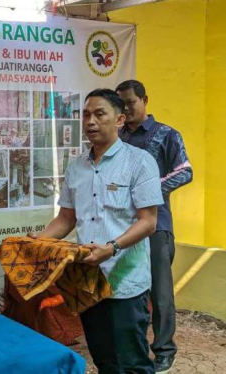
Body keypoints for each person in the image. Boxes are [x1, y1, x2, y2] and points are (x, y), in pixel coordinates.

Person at [34, 89, 163, 374]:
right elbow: (66, 218)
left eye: (99, 114)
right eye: (86, 114)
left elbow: (148, 221)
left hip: (125, 283)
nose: (90, 121)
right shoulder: (77, 166)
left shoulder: (140, 162)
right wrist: (37, 242)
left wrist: (112, 247)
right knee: (104, 360)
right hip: (88, 282)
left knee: (132, 364)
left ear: (119, 119)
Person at [116, 80, 192, 374]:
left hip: (156, 224)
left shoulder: (166, 135)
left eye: (131, 103)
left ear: (145, 100)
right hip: (122, 225)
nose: (126, 110)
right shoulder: (118, 138)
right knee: (129, 289)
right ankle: (132, 346)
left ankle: (164, 350)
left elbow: (185, 171)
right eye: (120, 104)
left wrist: (149, 189)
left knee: (160, 292)